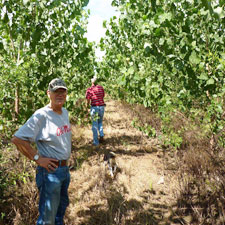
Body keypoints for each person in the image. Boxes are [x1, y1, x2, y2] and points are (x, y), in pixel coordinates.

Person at [11, 78, 72, 225]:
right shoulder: (41, 115)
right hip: (50, 172)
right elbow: (17, 139)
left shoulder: (64, 112)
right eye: (56, 91)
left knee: (60, 212)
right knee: (47, 219)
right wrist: (37, 158)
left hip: (64, 170)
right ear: (48, 93)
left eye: (62, 91)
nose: (60, 95)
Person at [85, 75, 105, 146]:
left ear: (91, 81)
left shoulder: (90, 89)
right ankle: (101, 134)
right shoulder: (101, 88)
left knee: (94, 124)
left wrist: (87, 105)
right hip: (102, 107)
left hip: (94, 108)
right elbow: (103, 95)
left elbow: (88, 98)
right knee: (100, 122)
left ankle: (96, 142)